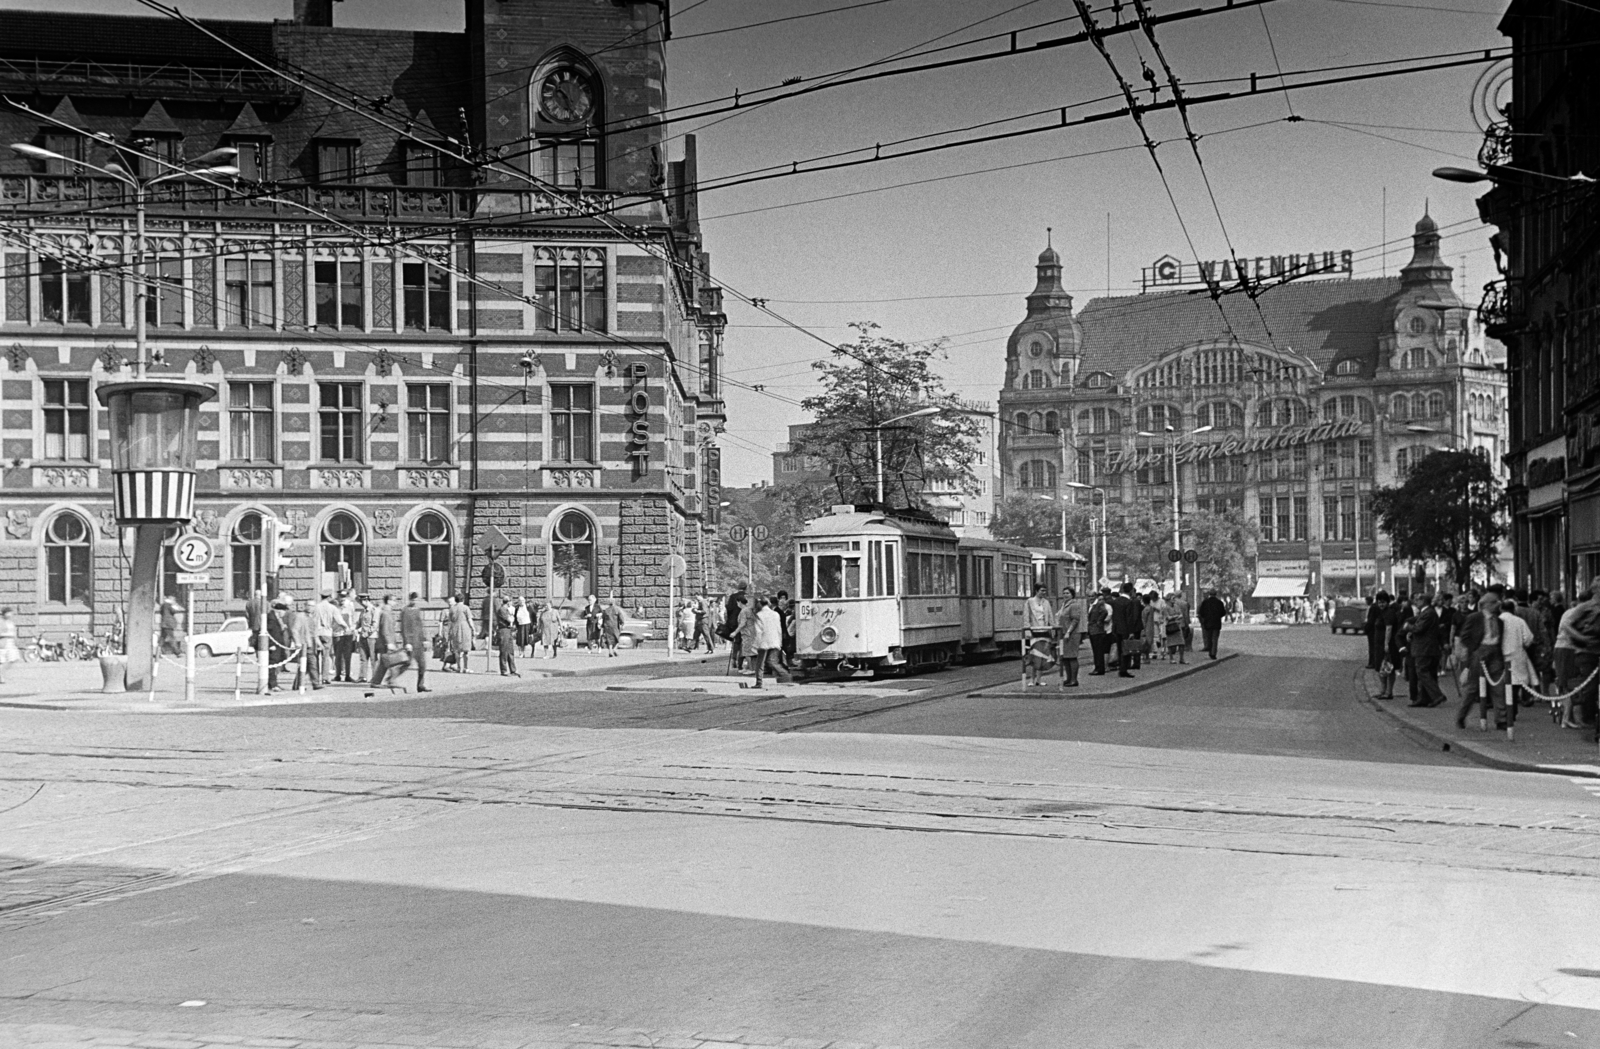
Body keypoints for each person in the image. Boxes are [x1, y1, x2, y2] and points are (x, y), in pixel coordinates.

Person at [1456, 592, 1505, 732]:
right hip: (1480, 652)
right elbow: (1464, 636)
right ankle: (1461, 715)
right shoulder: (1474, 618)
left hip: (1495, 652)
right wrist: (1475, 649)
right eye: (1494, 602)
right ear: (1486, 604)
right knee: (1473, 687)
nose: (1497, 605)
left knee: (1499, 687)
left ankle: (1501, 720)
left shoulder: (1499, 621)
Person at [1499, 597, 1536, 739]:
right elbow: (1529, 638)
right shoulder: (1519, 621)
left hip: (1501, 656)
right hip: (1517, 655)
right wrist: (1523, 645)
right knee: (1516, 684)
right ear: (1513, 609)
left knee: (1503, 685)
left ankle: (1506, 711)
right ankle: (1514, 709)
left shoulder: (1498, 620)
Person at [1404, 591, 1447, 708]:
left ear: (1423, 601)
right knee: (1427, 672)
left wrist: (1409, 627)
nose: (1415, 601)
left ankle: (1437, 695)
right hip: (1427, 647)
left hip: (1424, 648)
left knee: (1422, 671)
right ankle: (1424, 698)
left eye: (1417, 599)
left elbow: (1419, 628)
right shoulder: (1427, 612)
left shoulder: (1428, 613)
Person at [369, 595, 409, 689]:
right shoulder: (386, 613)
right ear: (389, 601)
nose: (395, 602)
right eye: (394, 600)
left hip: (387, 642)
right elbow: (385, 629)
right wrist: (389, 643)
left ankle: (376, 682)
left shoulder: (388, 612)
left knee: (385, 663)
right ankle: (390, 681)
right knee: (393, 662)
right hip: (386, 643)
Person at [750, 597, 791, 687]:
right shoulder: (775, 614)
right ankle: (785, 675)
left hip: (763, 641)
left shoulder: (759, 615)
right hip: (775, 640)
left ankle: (759, 682)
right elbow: (779, 629)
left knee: (760, 663)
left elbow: (758, 631)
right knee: (772, 661)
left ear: (759, 604)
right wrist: (779, 641)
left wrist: (755, 645)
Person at [400, 591, 432, 693]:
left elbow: (420, 626)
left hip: (418, 642)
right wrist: (407, 642)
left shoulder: (417, 610)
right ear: (410, 599)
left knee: (422, 665)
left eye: (416, 600)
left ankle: (420, 685)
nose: (415, 601)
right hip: (411, 643)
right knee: (407, 663)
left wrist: (424, 639)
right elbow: (404, 627)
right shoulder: (405, 611)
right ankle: (391, 678)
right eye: (413, 599)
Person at [286, 596, 320, 691]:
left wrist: (318, 643)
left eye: (312, 606)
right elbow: (294, 630)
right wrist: (297, 642)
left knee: (306, 665)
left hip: (311, 644)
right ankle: (315, 683)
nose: (310, 607)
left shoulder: (313, 617)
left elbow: (314, 632)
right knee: (312, 664)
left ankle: (297, 684)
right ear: (305, 606)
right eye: (308, 605)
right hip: (304, 644)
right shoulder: (300, 616)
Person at [1056, 586, 1085, 688]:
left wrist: (1068, 631)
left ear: (1072, 594)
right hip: (1063, 633)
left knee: (1072, 656)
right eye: (1064, 593)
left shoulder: (1074, 605)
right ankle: (1068, 678)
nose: (1065, 595)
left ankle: (1074, 680)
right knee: (1065, 657)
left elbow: (1075, 620)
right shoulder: (1064, 604)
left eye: (1067, 593)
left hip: (1072, 634)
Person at [1111, 583, 1142, 677]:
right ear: (1131, 591)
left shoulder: (1116, 601)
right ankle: (1124, 669)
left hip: (1117, 628)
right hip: (1126, 629)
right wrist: (1131, 631)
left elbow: (1114, 616)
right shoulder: (1129, 602)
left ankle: (1121, 668)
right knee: (1126, 649)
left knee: (1120, 649)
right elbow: (1129, 618)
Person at [312, 591, 343, 684]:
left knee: (315, 656)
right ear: (329, 597)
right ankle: (325, 678)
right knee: (325, 656)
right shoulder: (332, 607)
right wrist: (346, 627)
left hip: (316, 633)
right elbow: (339, 620)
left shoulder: (316, 607)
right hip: (327, 633)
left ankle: (316, 678)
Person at [1086, 589, 1113, 676]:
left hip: (1097, 630)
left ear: (1096, 597)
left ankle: (1100, 668)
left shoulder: (1098, 604)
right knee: (1095, 650)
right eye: (1089, 596)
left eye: (1092, 596)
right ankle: (1097, 667)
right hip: (1092, 630)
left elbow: (1104, 612)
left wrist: (1099, 621)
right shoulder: (1090, 605)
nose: (1091, 598)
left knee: (1098, 650)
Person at [333, 589, 357, 682]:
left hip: (348, 633)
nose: (342, 599)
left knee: (347, 655)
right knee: (338, 655)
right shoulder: (334, 606)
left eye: (344, 597)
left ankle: (347, 675)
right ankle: (338, 675)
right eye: (341, 597)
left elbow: (353, 618)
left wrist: (353, 629)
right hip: (337, 633)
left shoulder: (350, 606)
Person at [445, 593, 474, 672]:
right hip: (465, 628)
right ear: (463, 599)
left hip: (455, 629)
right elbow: (469, 619)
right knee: (466, 650)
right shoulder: (465, 608)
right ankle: (465, 667)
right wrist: (473, 628)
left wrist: (449, 632)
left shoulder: (452, 609)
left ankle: (458, 667)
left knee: (457, 650)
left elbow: (450, 622)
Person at [1198, 588, 1226, 660]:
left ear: (1209, 594)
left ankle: (1210, 651)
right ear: (1216, 594)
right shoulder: (1219, 602)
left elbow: (1201, 612)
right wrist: (1217, 616)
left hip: (1207, 623)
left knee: (1209, 638)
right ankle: (1213, 653)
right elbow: (1223, 613)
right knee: (1215, 639)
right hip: (1216, 623)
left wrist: (1206, 617)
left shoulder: (1205, 602)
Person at [496, 596, 519, 677]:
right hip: (503, 630)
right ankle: (504, 670)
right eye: (511, 601)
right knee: (504, 651)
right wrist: (512, 618)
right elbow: (510, 620)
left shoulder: (506, 610)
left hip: (508, 630)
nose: (512, 603)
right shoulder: (502, 609)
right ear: (508, 602)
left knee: (510, 651)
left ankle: (513, 670)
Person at [1166, 589, 1190, 664]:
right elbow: (1167, 617)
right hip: (1170, 626)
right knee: (1170, 643)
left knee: (1181, 643)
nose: (1174, 600)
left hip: (1177, 626)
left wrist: (1175, 617)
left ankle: (1181, 658)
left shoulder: (1176, 606)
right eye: (1173, 598)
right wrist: (1175, 616)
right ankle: (1171, 658)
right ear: (1169, 599)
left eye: (1174, 598)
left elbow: (1181, 614)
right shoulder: (1166, 607)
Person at [0, 607, 18, 685]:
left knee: (13, 659)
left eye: (11, 612)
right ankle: (1, 677)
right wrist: (8, 635)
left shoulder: (11, 622)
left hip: (11, 643)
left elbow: (14, 632)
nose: (10, 614)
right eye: (8, 612)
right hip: (3, 642)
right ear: (4, 614)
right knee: (2, 661)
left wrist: (15, 640)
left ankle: (1, 673)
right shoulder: (1, 622)